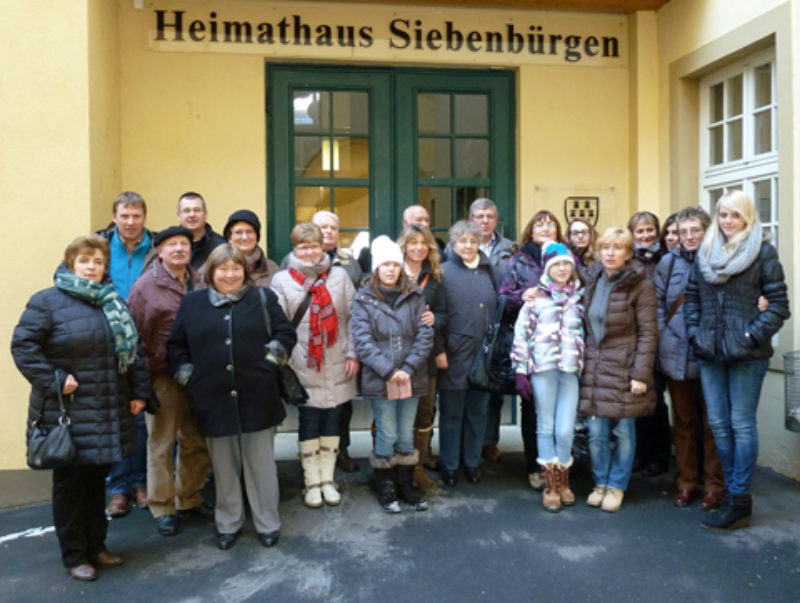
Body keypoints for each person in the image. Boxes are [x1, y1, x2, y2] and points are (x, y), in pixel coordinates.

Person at [12, 236, 151, 581]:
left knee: (94, 485)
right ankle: (75, 555)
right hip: (69, 410)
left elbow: (133, 352)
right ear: (71, 263)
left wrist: (139, 392)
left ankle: (96, 546)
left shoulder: (113, 303)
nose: (92, 266)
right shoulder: (47, 302)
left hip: (107, 409)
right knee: (71, 486)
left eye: (98, 261)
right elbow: (24, 347)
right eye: (85, 260)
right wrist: (55, 380)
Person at [167, 244, 297, 550]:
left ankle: (267, 521)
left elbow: (285, 333)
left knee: (261, 465)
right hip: (213, 396)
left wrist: (270, 361)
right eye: (222, 268)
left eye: (236, 268)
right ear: (211, 273)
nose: (229, 274)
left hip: (258, 393)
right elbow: (176, 346)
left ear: (245, 271)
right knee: (223, 467)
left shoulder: (263, 298)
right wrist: (188, 374)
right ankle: (228, 522)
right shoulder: (192, 304)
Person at [684, 191, 789, 530]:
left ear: (747, 218)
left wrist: (749, 336)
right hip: (711, 351)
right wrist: (695, 333)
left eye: (734, 215)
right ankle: (730, 492)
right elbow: (691, 298)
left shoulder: (762, 252)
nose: (727, 221)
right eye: (722, 214)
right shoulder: (706, 251)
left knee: (741, 424)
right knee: (718, 424)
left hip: (747, 353)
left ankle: (740, 497)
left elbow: (778, 306)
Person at [127, 226, 211, 537]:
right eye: (172, 245)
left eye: (184, 244)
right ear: (159, 251)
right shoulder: (145, 287)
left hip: (199, 374)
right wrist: (141, 384)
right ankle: (162, 505)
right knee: (161, 442)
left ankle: (188, 496)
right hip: (162, 377)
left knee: (196, 439)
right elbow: (134, 338)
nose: (179, 249)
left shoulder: (201, 280)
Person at [270, 223, 359, 508]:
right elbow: (278, 324)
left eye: (314, 246)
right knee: (309, 422)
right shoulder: (282, 280)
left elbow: (355, 318)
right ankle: (311, 482)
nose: (309, 252)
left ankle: (328, 479)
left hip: (337, 360)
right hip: (302, 362)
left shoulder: (341, 276)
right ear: (294, 249)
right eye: (302, 247)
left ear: (324, 247)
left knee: (334, 420)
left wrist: (353, 354)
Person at [352, 236, 433, 512]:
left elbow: (425, 335)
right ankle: (385, 485)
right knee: (387, 432)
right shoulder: (363, 299)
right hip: (381, 377)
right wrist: (389, 370)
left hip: (411, 375)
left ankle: (405, 482)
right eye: (384, 265)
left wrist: (408, 368)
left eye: (394, 265)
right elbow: (363, 341)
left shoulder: (415, 296)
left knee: (406, 432)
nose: (390, 270)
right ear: (376, 268)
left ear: (401, 268)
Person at [579, 227, 658, 513]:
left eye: (617, 248)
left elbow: (649, 333)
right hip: (594, 364)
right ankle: (600, 483)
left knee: (624, 431)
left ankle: (617, 486)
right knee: (596, 432)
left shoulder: (641, 284)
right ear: (598, 251)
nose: (610, 253)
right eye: (606, 247)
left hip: (624, 367)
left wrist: (640, 374)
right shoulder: (591, 278)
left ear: (627, 253)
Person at [654, 207, 724, 510]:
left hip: (711, 352)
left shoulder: (720, 257)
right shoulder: (669, 263)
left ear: (706, 230)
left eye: (695, 230)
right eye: (683, 232)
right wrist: (664, 334)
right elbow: (656, 303)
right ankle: (686, 481)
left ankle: (714, 484)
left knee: (713, 423)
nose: (689, 236)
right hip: (675, 353)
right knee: (682, 421)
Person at [512, 242, 584, 512]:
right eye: (557, 265)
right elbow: (521, 335)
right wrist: (520, 370)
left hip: (570, 371)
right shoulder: (536, 300)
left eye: (566, 264)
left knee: (566, 429)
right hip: (544, 370)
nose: (562, 269)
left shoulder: (578, 299)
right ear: (548, 269)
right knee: (546, 426)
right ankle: (550, 484)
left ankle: (564, 479)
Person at [96, 191, 156, 518]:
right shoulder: (98, 249)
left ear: (144, 217)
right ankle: (118, 488)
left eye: (136, 216)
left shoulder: (159, 247)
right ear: (115, 217)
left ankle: (141, 482)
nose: (130, 222)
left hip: (145, 344)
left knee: (141, 419)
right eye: (124, 216)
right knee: (116, 419)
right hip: (107, 343)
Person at [498, 209, 564, 489]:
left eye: (550, 225)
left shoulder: (566, 256)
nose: (545, 228)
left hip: (564, 345)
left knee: (563, 411)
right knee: (533, 409)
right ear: (530, 230)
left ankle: (560, 466)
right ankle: (534, 465)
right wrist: (521, 296)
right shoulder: (519, 260)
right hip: (532, 346)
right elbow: (502, 297)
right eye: (540, 224)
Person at [437, 220, 497, 486]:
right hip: (454, 354)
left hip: (483, 356)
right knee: (451, 413)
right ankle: (450, 464)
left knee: (478, 412)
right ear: (453, 244)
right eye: (463, 241)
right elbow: (436, 316)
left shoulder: (489, 270)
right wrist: (439, 349)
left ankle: (472, 463)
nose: (469, 246)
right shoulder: (443, 272)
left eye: (473, 241)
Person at [459, 199, 512, 464]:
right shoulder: (457, 248)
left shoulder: (509, 249)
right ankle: (464, 442)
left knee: (493, 387)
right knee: (465, 386)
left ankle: (489, 441)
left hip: (499, 325)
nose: (484, 221)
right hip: (467, 326)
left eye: (490, 216)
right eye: (479, 216)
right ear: (470, 219)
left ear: (496, 219)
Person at [311, 210, 363, 472]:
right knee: (313, 406)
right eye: (322, 227)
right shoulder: (293, 259)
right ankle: (312, 457)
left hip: (341, 343)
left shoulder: (349, 262)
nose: (328, 231)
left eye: (333, 227)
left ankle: (341, 450)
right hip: (310, 344)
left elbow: (359, 304)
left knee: (343, 405)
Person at [397, 224, 447, 493]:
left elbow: (444, 314)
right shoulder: (389, 272)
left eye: (423, 243)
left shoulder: (435, 278)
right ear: (403, 245)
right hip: (394, 356)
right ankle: (390, 467)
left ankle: (415, 468)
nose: (418, 247)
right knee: (392, 411)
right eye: (412, 242)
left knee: (425, 410)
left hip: (425, 356)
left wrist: (435, 319)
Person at [627, 210, 671, 478]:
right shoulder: (627, 260)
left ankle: (659, 456)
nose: (646, 235)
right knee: (636, 400)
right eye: (640, 231)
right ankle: (640, 454)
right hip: (633, 338)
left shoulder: (665, 259)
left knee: (657, 401)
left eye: (650, 230)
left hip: (661, 336)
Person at [221, 209, 280, 287]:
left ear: (257, 237)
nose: (245, 237)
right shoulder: (217, 266)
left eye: (249, 232)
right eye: (239, 232)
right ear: (229, 238)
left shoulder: (272, 268)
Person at [176, 191, 226, 271]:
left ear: (205, 214)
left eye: (197, 210)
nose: (192, 215)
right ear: (178, 215)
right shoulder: (168, 245)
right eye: (186, 211)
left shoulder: (221, 246)